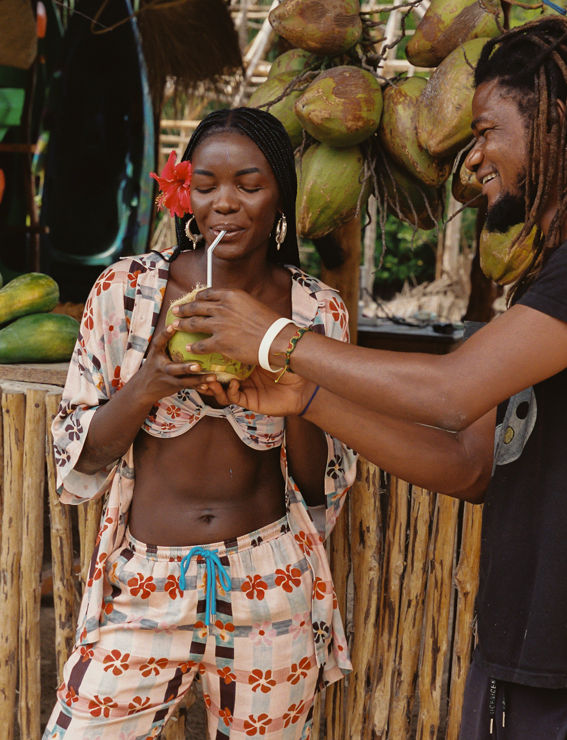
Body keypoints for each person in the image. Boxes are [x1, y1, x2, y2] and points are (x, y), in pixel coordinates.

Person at [170, 17, 567, 739]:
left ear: (554, 117)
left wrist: (274, 338)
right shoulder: (549, 277)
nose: (472, 160)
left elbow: (452, 394)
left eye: (485, 130)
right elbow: (471, 462)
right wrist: (311, 400)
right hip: (525, 649)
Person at [43, 107, 357, 740]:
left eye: (249, 184)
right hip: (143, 587)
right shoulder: (127, 292)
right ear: (184, 193)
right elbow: (80, 452)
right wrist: (152, 379)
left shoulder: (315, 311)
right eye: (207, 185)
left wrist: (285, 373)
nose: (226, 204)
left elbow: (318, 485)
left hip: (271, 584)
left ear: (280, 201)